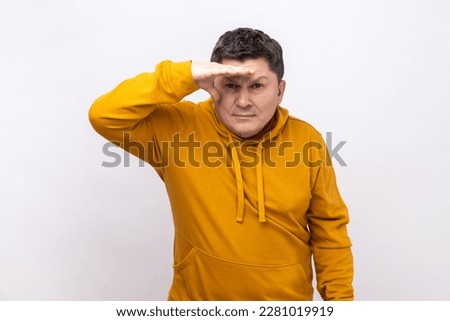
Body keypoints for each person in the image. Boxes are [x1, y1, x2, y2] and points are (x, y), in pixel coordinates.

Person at [89, 27, 354, 301]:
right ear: (214, 84)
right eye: (230, 85)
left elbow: (330, 232)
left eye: (257, 86)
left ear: (280, 91)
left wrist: (341, 305)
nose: (243, 101)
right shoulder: (178, 130)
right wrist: (186, 75)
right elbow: (104, 115)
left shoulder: (306, 140)